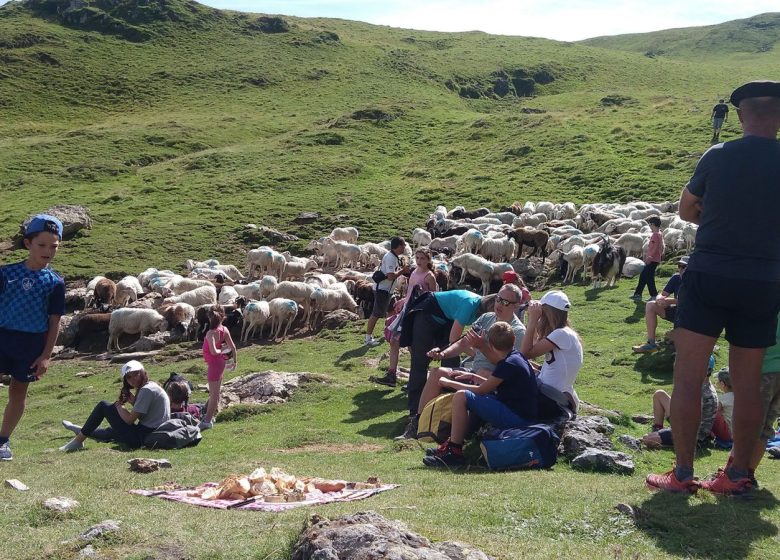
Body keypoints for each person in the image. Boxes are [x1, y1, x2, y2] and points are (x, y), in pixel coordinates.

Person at [646, 80, 780, 495]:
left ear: (740, 116)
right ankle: (736, 475)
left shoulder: (718, 155)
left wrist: (720, 220)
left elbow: (687, 208)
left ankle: (683, 473)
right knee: (747, 379)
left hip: (710, 273)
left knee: (688, 376)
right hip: (764, 279)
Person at [422, 321, 538, 467]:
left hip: (518, 419)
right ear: (513, 339)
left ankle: (454, 452)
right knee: (475, 397)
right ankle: (456, 444)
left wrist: (448, 382)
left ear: (491, 344)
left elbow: (481, 390)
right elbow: (495, 385)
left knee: (462, 396)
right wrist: (473, 377)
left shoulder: (508, 364)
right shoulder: (516, 357)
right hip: (521, 414)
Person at [0, 214, 65, 461]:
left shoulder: (55, 282)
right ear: (28, 244)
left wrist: (46, 355)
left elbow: (55, 321)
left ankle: (3, 440)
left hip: (31, 343)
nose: (48, 251)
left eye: (54, 246)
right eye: (42, 245)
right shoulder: (6, 274)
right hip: (2, 336)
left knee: (18, 392)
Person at [396, 289, 497, 439]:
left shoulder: (481, 313)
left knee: (451, 361)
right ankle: (415, 417)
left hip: (446, 318)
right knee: (420, 362)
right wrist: (477, 353)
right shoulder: (470, 305)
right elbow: (454, 339)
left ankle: (444, 413)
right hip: (428, 312)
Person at [416, 283, 526, 413]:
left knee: (483, 372)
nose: (499, 304)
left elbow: (510, 367)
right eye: (498, 299)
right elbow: (463, 342)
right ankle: (419, 422)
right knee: (436, 373)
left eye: (505, 302)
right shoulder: (486, 317)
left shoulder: (518, 331)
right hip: (473, 371)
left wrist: (483, 347)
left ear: (516, 305)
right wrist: (443, 354)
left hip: (492, 379)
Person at [59, 360, 170, 451]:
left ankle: (78, 441)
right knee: (111, 432)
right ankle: (81, 430)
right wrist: (132, 401)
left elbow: (130, 420)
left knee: (104, 405)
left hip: (143, 437)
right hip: (150, 433)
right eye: (129, 377)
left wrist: (119, 405)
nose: (133, 379)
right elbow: (148, 415)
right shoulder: (152, 386)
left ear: (143, 372)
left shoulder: (147, 390)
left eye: (136, 374)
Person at [370, 248, 438, 387]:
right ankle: (391, 375)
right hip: (406, 311)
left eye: (422, 259)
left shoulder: (429, 276)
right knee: (394, 340)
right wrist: (403, 300)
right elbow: (410, 291)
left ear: (428, 260)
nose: (419, 261)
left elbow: (433, 298)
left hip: (418, 314)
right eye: (417, 258)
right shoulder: (414, 272)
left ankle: (416, 378)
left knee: (413, 346)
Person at [521, 290, 583, 412]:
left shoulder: (561, 334)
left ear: (547, 312)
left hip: (552, 398)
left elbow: (525, 353)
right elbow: (532, 346)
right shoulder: (564, 333)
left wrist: (533, 321)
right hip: (552, 393)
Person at [642, 356, 718, 449]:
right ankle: (658, 429)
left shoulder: (703, 393)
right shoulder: (699, 385)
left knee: (647, 440)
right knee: (659, 394)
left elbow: (690, 422)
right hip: (684, 423)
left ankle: (667, 443)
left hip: (691, 434)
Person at [632, 256, 687, 353]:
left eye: (684, 266)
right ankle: (651, 343)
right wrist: (659, 298)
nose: (681, 269)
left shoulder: (696, 281)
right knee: (651, 304)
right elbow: (663, 294)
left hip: (692, 316)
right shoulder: (676, 278)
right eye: (679, 266)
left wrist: (669, 301)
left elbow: (687, 301)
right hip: (677, 312)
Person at [365, 237, 409, 347]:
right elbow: (390, 276)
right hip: (382, 290)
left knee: (392, 309)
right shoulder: (390, 258)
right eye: (403, 245)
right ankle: (368, 338)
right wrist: (403, 271)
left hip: (388, 290)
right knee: (376, 313)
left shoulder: (394, 257)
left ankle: (388, 332)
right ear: (398, 246)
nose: (404, 247)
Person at [200, 305, 237, 430]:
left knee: (214, 394)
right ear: (223, 317)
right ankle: (212, 415)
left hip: (215, 364)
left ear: (210, 317)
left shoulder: (211, 333)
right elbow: (233, 347)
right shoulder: (224, 329)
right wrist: (234, 361)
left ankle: (207, 420)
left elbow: (214, 351)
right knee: (216, 392)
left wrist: (220, 349)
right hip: (220, 363)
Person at [631, 216, 664, 301]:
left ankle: (653, 295)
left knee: (649, 277)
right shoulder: (659, 233)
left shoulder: (655, 235)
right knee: (644, 275)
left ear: (653, 224)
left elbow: (655, 247)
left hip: (653, 259)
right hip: (655, 259)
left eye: (650, 224)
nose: (649, 226)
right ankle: (638, 293)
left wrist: (650, 257)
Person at [710, 367, 734, 445]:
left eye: (718, 381)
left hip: (728, 434)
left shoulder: (723, 399)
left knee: (712, 412)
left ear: (722, 384)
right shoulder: (740, 396)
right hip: (741, 433)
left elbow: (715, 413)